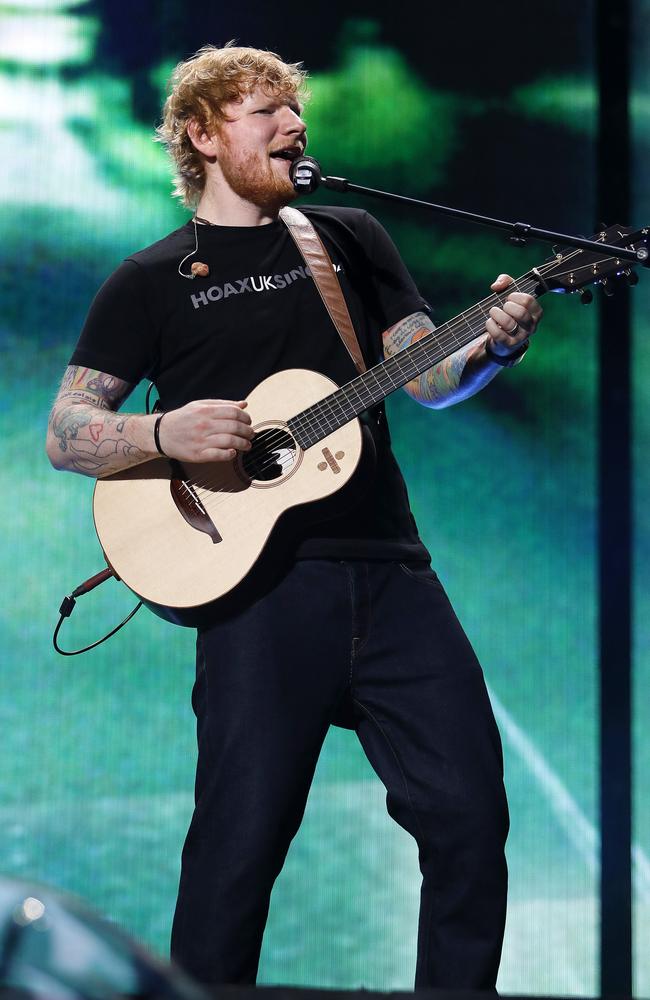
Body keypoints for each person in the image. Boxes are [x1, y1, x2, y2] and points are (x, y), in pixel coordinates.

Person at [46, 43, 543, 990]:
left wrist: (490, 348)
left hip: (392, 574)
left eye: (296, 111)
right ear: (200, 133)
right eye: (263, 110)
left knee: (471, 814)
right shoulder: (151, 279)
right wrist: (165, 430)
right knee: (238, 852)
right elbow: (69, 434)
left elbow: (428, 375)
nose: (293, 126)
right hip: (257, 595)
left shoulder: (348, 237)